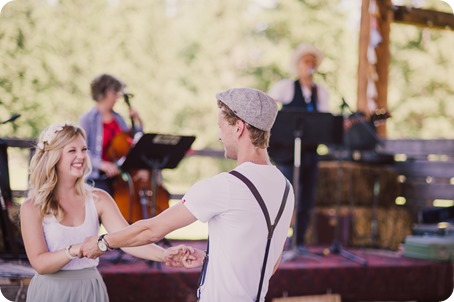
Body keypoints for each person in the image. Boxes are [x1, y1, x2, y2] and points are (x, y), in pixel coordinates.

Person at [80, 88, 295, 302]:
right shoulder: (285, 187)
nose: (220, 136)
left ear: (239, 127)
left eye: (221, 127)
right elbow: (269, 264)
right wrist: (214, 261)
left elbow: (151, 230)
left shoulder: (226, 185)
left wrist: (103, 242)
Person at [20, 122, 188, 302]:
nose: (81, 156)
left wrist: (164, 254)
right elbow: (40, 264)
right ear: (54, 156)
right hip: (50, 293)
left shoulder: (99, 199)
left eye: (84, 150)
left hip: (90, 290)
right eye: (72, 151)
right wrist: (74, 250)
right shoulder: (32, 207)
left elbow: (128, 240)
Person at [268, 43, 330, 254]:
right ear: (299, 65)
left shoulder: (320, 91)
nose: (310, 65)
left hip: (310, 153)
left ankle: (299, 240)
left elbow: (324, 121)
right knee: (285, 196)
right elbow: (269, 108)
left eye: (313, 61)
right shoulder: (285, 87)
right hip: (286, 153)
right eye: (306, 61)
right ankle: (277, 241)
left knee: (306, 198)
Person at [79, 73, 144, 195]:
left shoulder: (118, 119)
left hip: (119, 177)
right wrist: (102, 165)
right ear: (106, 93)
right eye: (115, 93)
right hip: (97, 178)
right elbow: (82, 150)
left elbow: (133, 140)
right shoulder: (87, 119)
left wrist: (138, 121)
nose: (117, 98)